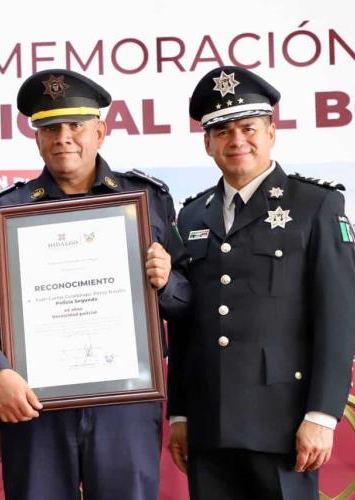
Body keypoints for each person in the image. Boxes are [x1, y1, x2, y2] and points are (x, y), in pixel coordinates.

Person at [0, 69, 190, 500]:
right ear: (38, 138)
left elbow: (184, 301)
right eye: (50, 127)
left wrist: (166, 281)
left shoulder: (147, 200)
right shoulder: (6, 211)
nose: (63, 136)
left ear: (100, 132)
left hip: (126, 403)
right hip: (34, 406)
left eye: (75, 126)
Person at [167, 65, 355, 500]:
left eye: (249, 128)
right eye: (223, 131)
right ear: (207, 142)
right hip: (209, 424)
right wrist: (179, 414)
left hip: (285, 425)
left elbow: (339, 317)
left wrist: (322, 415)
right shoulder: (193, 215)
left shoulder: (317, 204)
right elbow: (185, 326)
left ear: (272, 133)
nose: (237, 141)